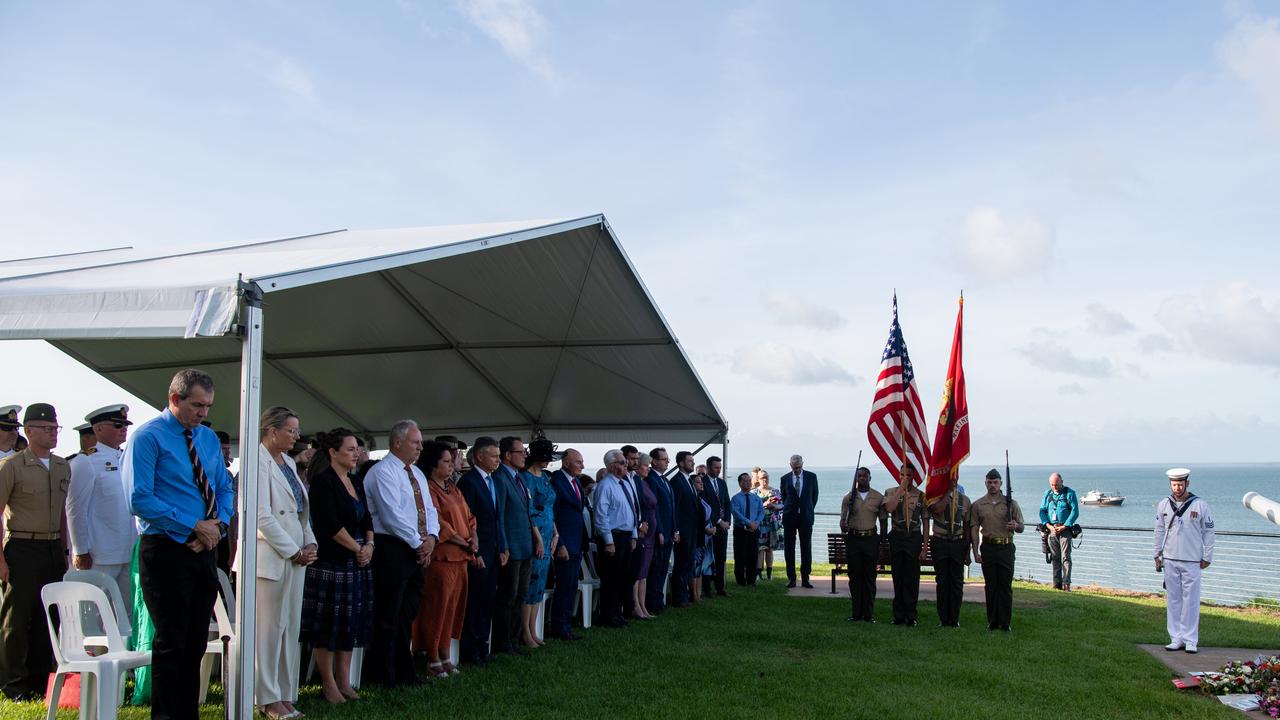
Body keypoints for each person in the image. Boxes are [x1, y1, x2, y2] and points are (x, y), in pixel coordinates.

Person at [123, 369, 234, 719]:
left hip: (205, 546)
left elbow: (224, 487)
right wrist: (192, 526)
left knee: (196, 640)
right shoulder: (148, 437)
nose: (203, 413)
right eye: (197, 405)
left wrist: (219, 524)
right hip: (166, 549)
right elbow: (140, 499)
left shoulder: (207, 439)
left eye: (207, 406)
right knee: (171, 641)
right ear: (175, 399)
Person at [249, 406, 317, 720]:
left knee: (288, 628)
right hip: (269, 559)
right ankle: (265, 697)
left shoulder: (288, 462)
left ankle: (284, 693)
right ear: (272, 430)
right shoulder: (256, 460)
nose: (296, 436)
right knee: (267, 630)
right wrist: (293, 550)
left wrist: (310, 540)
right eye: (291, 430)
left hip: (296, 557)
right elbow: (261, 515)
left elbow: (300, 510)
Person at [0, 403, 70, 700]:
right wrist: (0, 560)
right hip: (22, 546)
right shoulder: (12, 466)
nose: (52, 433)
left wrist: (65, 549)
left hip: (52, 547)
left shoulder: (62, 466)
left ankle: (41, 681)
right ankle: (13, 683)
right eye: (45, 428)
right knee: (16, 620)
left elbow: (63, 513)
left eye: (55, 428)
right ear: (28, 431)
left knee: (48, 618)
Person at [362, 419, 438, 687]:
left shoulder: (416, 474)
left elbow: (429, 509)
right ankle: (382, 673)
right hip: (392, 547)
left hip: (416, 547)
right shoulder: (383, 472)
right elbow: (391, 514)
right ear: (397, 442)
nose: (419, 448)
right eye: (415, 443)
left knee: (407, 612)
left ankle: (404, 670)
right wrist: (419, 542)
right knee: (388, 613)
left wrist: (432, 537)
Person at [301, 427, 373, 704]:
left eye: (357, 449)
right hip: (333, 561)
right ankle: (328, 683)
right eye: (351, 449)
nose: (356, 454)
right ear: (333, 452)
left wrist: (369, 546)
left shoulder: (356, 481)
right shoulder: (323, 482)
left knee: (350, 624)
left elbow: (367, 520)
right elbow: (329, 525)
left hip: (358, 560)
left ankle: (344, 681)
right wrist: (358, 549)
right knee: (327, 625)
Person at [413, 441, 475, 677]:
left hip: (461, 559)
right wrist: (463, 541)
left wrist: (473, 537)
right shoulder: (428, 488)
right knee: (436, 608)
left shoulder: (453, 488)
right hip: (443, 558)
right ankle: (432, 655)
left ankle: (446, 652)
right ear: (433, 464)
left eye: (452, 462)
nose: (451, 467)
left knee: (452, 609)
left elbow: (470, 517)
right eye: (446, 462)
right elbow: (438, 523)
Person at [66, 404, 136, 606]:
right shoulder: (85, 461)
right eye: (117, 425)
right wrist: (80, 550)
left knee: (128, 614)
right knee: (91, 613)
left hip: (127, 550)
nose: (123, 429)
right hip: (99, 553)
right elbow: (75, 509)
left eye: (124, 425)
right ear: (97, 429)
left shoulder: (127, 458)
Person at [1154, 468, 1214, 654]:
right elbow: (1159, 530)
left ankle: (1190, 639)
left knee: (1191, 600)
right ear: (1170, 484)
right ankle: (1176, 637)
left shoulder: (1200, 505)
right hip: (1170, 558)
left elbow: (1209, 532)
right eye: (1174, 484)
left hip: (1192, 560)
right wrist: (1157, 554)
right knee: (1173, 600)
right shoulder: (1164, 504)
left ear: (1187, 483)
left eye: (1180, 484)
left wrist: (1207, 556)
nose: (1177, 487)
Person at [457, 436, 506, 665]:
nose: (498, 460)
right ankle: (470, 650)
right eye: (494, 456)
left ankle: (482, 646)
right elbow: (467, 521)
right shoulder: (469, 482)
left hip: (493, 549)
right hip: (478, 551)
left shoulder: (492, 480)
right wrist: (474, 552)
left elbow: (497, 518)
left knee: (487, 600)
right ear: (479, 456)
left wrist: (502, 547)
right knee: (475, 602)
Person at [493, 436, 539, 654]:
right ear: (507, 455)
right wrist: (504, 545)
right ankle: (503, 642)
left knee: (520, 595)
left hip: (525, 546)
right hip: (512, 547)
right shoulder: (501, 478)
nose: (524, 456)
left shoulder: (519, 478)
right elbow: (499, 516)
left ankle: (514, 638)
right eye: (520, 452)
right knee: (508, 597)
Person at [971, 468, 1025, 632]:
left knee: (1005, 586)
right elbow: (974, 528)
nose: (992, 485)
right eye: (989, 482)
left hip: (1006, 547)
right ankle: (992, 621)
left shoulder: (1011, 503)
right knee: (991, 585)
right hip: (988, 547)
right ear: (985, 483)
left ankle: (1005, 622)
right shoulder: (978, 505)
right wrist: (975, 551)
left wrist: (1015, 525)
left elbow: (1021, 526)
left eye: (995, 482)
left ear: (1001, 483)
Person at [520, 438, 559, 646]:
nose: (547, 462)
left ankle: (534, 628)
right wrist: (538, 539)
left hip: (548, 531)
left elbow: (550, 506)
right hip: (535, 534)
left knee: (540, 584)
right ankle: (524, 630)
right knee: (530, 582)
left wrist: (556, 534)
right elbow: (530, 510)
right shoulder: (526, 478)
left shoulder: (545, 477)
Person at [592, 449, 637, 627]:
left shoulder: (624, 484)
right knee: (611, 578)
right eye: (621, 462)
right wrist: (608, 541)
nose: (626, 465)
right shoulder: (605, 485)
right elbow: (601, 515)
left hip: (626, 536)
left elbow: (633, 511)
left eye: (625, 462)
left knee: (623, 577)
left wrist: (633, 535)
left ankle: (618, 613)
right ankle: (608, 616)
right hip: (613, 537)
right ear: (611, 466)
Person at [548, 448, 586, 641]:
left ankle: (566, 624)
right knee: (564, 585)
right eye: (578, 462)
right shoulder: (557, 482)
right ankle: (559, 626)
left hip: (577, 541)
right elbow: (553, 516)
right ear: (566, 463)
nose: (582, 466)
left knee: (572, 585)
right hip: (565, 542)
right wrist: (560, 543)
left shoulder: (575, 482)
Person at [883, 464, 928, 626]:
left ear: (913, 476)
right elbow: (889, 508)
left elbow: (925, 522)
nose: (905, 478)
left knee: (912, 577)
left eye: (908, 475)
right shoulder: (890, 492)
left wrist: (924, 547)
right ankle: (898, 615)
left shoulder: (921, 496)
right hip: (897, 536)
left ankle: (911, 615)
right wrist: (900, 489)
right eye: (902, 475)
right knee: (898, 576)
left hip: (913, 537)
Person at [839, 467, 885, 622]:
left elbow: (883, 522)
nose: (862, 478)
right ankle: (856, 613)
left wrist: (882, 542)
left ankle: (868, 614)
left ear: (870, 478)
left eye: (865, 476)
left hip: (871, 539)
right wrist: (844, 526)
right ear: (856, 478)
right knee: (855, 577)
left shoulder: (878, 497)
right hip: (854, 539)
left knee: (869, 577)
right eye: (859, 476)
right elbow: (842, 521)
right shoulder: (848, 497)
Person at [928, 475, 971, 628]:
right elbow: (935, 510)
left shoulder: (965, 500)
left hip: (958, 543)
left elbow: (966, 526)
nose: (952, 480)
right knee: (942, 581)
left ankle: (954, 618)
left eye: (954, 477)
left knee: (956, 582)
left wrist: (968, 550)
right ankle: (943, 618)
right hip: (940, 541)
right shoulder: (936, 497)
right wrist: (948, 493)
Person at [643, 447, 675, 615]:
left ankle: (659, 600)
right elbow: (654, 510)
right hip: (659, 532)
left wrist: (675, 529)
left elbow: (671, 507)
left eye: (667, 459)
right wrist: (660, 531)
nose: (667, 462)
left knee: (663, 567)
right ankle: (653, 602)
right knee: (656, 569)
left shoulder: (665, 480)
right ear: (654, 461)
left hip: (670, 531)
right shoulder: (651, 479)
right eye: (664, 459)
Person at [669, 450, 702, 607]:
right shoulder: (676, 481)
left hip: (692, 529)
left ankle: (687, 594)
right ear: (681, 463)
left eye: (693, 461)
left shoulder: (689, 480)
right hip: (683, 530)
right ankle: (678, 597)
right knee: (681, 563)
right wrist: (676, 530)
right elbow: (675, 507)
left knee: (689, 562)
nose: (693, 463)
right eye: (690, 461)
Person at [781, 454, 819, 589]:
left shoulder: (811, 477)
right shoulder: (785, 478)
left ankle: (805, 578)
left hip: (806, 517)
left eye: (799, 467)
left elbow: (814, 496)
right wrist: (791, 509)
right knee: (789, 549)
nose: (797, 469)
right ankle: (791, 578)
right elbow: (784, 497)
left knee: (806, 548)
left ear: (803, 464)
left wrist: (806, 510)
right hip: (789, 517)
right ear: (790, 465)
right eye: (795, 467)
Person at [1038, 472, 1079, 591]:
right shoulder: (1047, 494)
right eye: (1052, 484)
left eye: (1056, 484)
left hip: (1064, 529)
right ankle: (1056, 583)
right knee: (1055, 557)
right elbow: (1042, 511)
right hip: (1052, 530)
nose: (1054, 487)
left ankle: (1067, 584)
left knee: (1066, 557)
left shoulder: (1070, 493)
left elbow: (1075, 512)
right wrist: (1048, 525)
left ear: (1062, 481)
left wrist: (1066, 525)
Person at [629, 452, 657, 619]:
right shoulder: (636, 482)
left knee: (644, 573)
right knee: (638, 572)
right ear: (638, 467)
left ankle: (643, 605)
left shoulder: (644, 482)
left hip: (650, 533)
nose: (648, 469)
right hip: (642, 532)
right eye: (646, 466)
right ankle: (636, 606)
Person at [703, 456, 731, 597]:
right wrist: (719, 521)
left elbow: (727, 502)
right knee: (708, 557)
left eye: (720, 467)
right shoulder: (702, 482)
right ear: (708, 467)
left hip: (723, 527)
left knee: (721, 557)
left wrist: (727, 521)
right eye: (715, 467)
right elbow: (705, 505)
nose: (718, 470)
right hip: (710, 526)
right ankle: (706, 588)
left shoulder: (721, 482)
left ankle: (720, 587)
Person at [731, 472, 764, 586]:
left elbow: (761, 511)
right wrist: (749, 523)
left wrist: (757, 523)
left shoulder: (756, 498)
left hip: (754, 530)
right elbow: (736, 513)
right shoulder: (735, 498)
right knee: (740, 556)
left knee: (753, 555)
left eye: (749, 481)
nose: (748, 483)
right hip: (741, 531)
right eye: (745, 481)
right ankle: (740, 580)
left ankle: (751, 580)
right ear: (740, 483)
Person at [753, 468, 783, 581]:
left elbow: (782, 505)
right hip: (760, 522)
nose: (765, 480)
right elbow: (752, 507)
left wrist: (774, 506)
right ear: (758, 479)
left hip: (772, 522)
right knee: (760, 548)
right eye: (762, 478)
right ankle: (758, 573)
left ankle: (769, 574)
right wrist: (763, 505)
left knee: (770, 548)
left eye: (766, 477)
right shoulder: (754, 493)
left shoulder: (775, 491)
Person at [692, 473, 716, 602]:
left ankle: (699, 593)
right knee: (695, 565)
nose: (701, 484)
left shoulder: (701, 499)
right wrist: (707, 529)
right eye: (697, 482)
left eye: (701, 482)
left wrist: (712, 528)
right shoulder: (694, 500)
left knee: (701, 566)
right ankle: (694, 594)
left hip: (707, 536)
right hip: (699, 534)